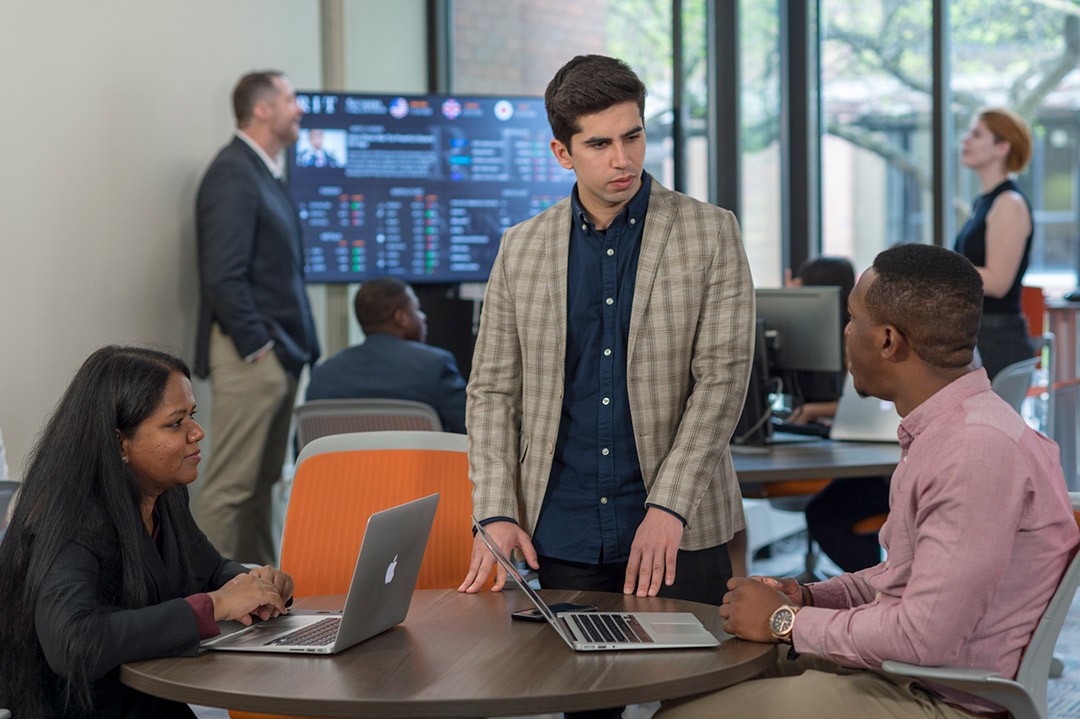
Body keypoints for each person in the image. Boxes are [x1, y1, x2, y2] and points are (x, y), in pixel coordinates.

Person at [655, 244, 1079, 719]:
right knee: (692, 678)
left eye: (853, 319)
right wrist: (812, 597)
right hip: (909, 675)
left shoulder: (974, 452)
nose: (846, 332)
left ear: (888, 341)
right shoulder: (950, 430)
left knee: (679, 714)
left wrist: (785, 621)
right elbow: (905, 578)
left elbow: (924, 637)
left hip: (940, 698)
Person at [460, 54, 753, 608]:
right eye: (599, 145)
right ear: (562, 153)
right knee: (585, 695)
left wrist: (669, 507)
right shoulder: (520, 247)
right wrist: (495, 511)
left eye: (633, 136)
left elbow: (722, 380)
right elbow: (492, 392)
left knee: (697, 692)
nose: (623, 159)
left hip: (678, 524)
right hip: (561, 527)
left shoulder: (711, 232)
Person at [0, 346, 294, 719]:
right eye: (176, 423)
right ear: (119, 440)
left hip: (145, 704)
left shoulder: (163, 494)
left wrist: (255, 584)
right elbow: (74, 643)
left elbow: (211, 570)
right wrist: (215, 605)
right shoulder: (71, 516)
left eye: (193, 416)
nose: (198, 433)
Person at [194, 70, 320, 565]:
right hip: (253, 358)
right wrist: (258, 349)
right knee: (231, 488)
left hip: (278, 356)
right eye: (290, 98)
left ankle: (263, 597)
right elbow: (223, 276)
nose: (299, 108)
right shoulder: (233, 172)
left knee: (263, 488)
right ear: (263, 109)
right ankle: (211, 606)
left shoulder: (264, 172)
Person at [305, 276, 467, 433]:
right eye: (417, 310)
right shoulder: (435, 365)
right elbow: (474, 430)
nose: (423, 317)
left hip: (341, 462)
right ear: (401, 318)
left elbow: (304, 449)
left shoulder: (323, 374)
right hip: (413, 462)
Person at [955, 107, 1035, 380]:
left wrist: (942, 273)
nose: (965, 140)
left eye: (976, 134)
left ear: (1002, 147)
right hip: (979, 334)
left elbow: (999, 281)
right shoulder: (982, 203)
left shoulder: (1008, 203)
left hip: (999, 340)